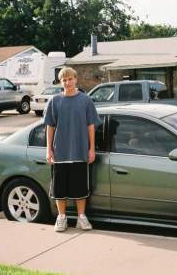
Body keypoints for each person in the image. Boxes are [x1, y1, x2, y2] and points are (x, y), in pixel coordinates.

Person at [43, 67, 100, 232]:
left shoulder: (86, 100)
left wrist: (91, 149)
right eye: (64, 80)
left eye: (70, 79)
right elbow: (50, 127)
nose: (67, 82)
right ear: (61, 82)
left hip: (80, 152)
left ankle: (81, 218)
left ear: (76, 79)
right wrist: (49, 150)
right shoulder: (54, 101)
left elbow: (91, 126)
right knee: (59, 189)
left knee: (80, 188)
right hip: (59, 153)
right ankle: (62, 218)